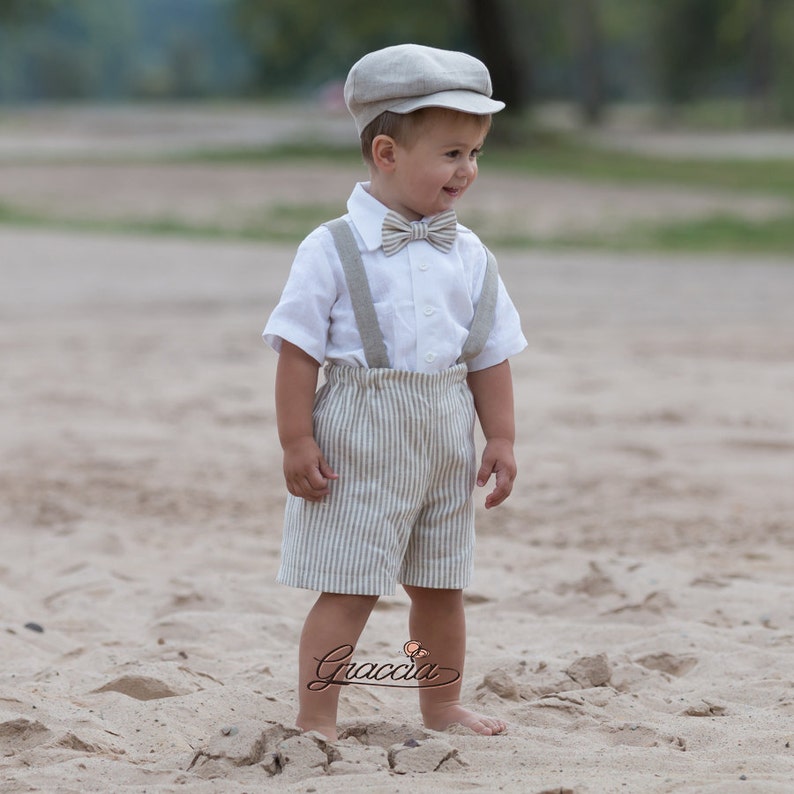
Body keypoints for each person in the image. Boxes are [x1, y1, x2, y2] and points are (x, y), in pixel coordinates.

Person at [263, 43, 526, 741]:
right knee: (349, 586)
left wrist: (500, 436)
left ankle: (441, 705)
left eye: (475, 153)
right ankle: (316, 717)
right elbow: (297, 351)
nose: (467, 170)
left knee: (442, 586)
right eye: (451, 153)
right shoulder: (331, 247)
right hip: (359, 439)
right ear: (386, 153)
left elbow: (488, 353)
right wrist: (296, 440)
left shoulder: (470, 254)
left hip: (445, 437)